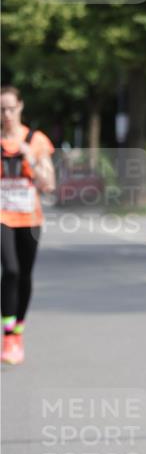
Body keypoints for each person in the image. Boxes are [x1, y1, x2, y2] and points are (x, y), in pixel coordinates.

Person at [1, 85, 55, 364]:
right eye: (2, 110)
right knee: (9, 269)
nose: (7, 114)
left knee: (24, 275)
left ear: (21, 107)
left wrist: (30, 158)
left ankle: (18, 330)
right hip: (2, 216)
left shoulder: (36, 140)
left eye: (11, 108)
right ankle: (8, 335)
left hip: (30, 218)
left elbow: (49, 184)